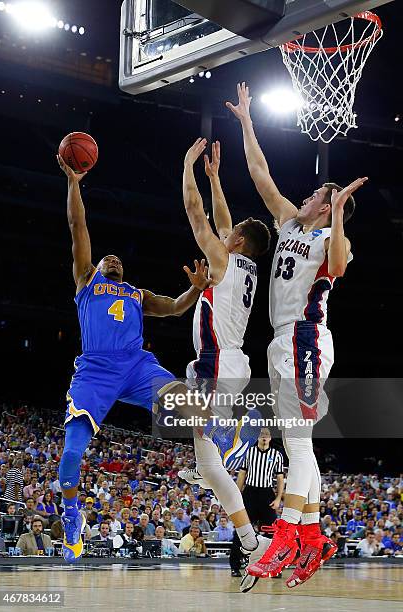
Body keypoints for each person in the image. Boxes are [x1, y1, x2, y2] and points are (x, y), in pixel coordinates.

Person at [227, 82, 367, 589]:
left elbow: (341, 265)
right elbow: (261, 175)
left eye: (320, 197)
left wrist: (337, 213)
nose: (308, 196)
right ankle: (312, 536)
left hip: (306, 338)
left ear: (331, 211)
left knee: (298, 441)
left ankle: (287, 532)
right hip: (281, 341)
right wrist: (246, 122)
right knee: (295, 440)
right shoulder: (289, 222)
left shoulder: (333, 240)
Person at [56, 155, 211, 563]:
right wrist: (74, 182)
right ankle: (71, 516)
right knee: (71, 455)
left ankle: (223, 452)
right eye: (109, 259)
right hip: (95, 370)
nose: (115, 261)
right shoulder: (86, 282)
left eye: (118, 260)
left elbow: (177, 307)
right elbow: (78, 227)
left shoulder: (138, 295)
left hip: (136, 364)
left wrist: (195, 289)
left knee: (192, 402)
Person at [178, 138, 272, 569]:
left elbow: (198, 217)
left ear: (236, 243)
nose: (224, 233)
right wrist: (216, 178)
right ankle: (249, 538)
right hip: (231, 362)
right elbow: (224, 220)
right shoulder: (244, 264)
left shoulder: (222, 260)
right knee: (205, 465)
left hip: (216, 365)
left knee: (210, 455)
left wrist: (188, 168)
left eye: (229, 235)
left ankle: (231, 439)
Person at [230, 428, 284, 580]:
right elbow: (242, 474)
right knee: (241, 530)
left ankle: (273, 566)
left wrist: (279, 498)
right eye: (262, 435)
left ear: (271, 438)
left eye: (267, 435)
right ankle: (235, 566)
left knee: (272, 532)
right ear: (258, 438)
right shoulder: (249, 452)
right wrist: (237, 495)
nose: (264, 438)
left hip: (267, 494)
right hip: (250, 493)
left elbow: (280, 478)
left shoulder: (277, 455)